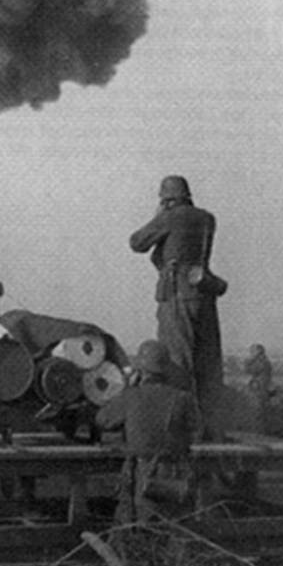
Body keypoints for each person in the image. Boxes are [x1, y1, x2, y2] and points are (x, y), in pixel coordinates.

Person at [129, 175, 226, 438]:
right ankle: (213, 429)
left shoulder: (171, 217)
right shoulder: (207, 218)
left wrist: (158, 214)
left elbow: (137, 242)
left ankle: (184, 429)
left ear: (167, 199)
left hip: (177, 295)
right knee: (207, 362)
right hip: (204, 293)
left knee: (177, 361)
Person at [96, 339, 200, 525]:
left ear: (140, 369)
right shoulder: (183, 398)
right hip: (176, 473)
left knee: (139, 527)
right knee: (176, 528)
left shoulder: (131, 396)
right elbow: (196, 428)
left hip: (142, 472)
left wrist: (128, 387)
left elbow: (103, 420)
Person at [243, 344, 276, 433]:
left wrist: (251, 359)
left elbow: (249, 370)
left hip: (260, 388)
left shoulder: (262, 362)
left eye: (253, 351)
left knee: (258, 410)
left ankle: (260, 431)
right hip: (261, 387)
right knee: (260, 410)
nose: (251, 353)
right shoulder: (264, 361)